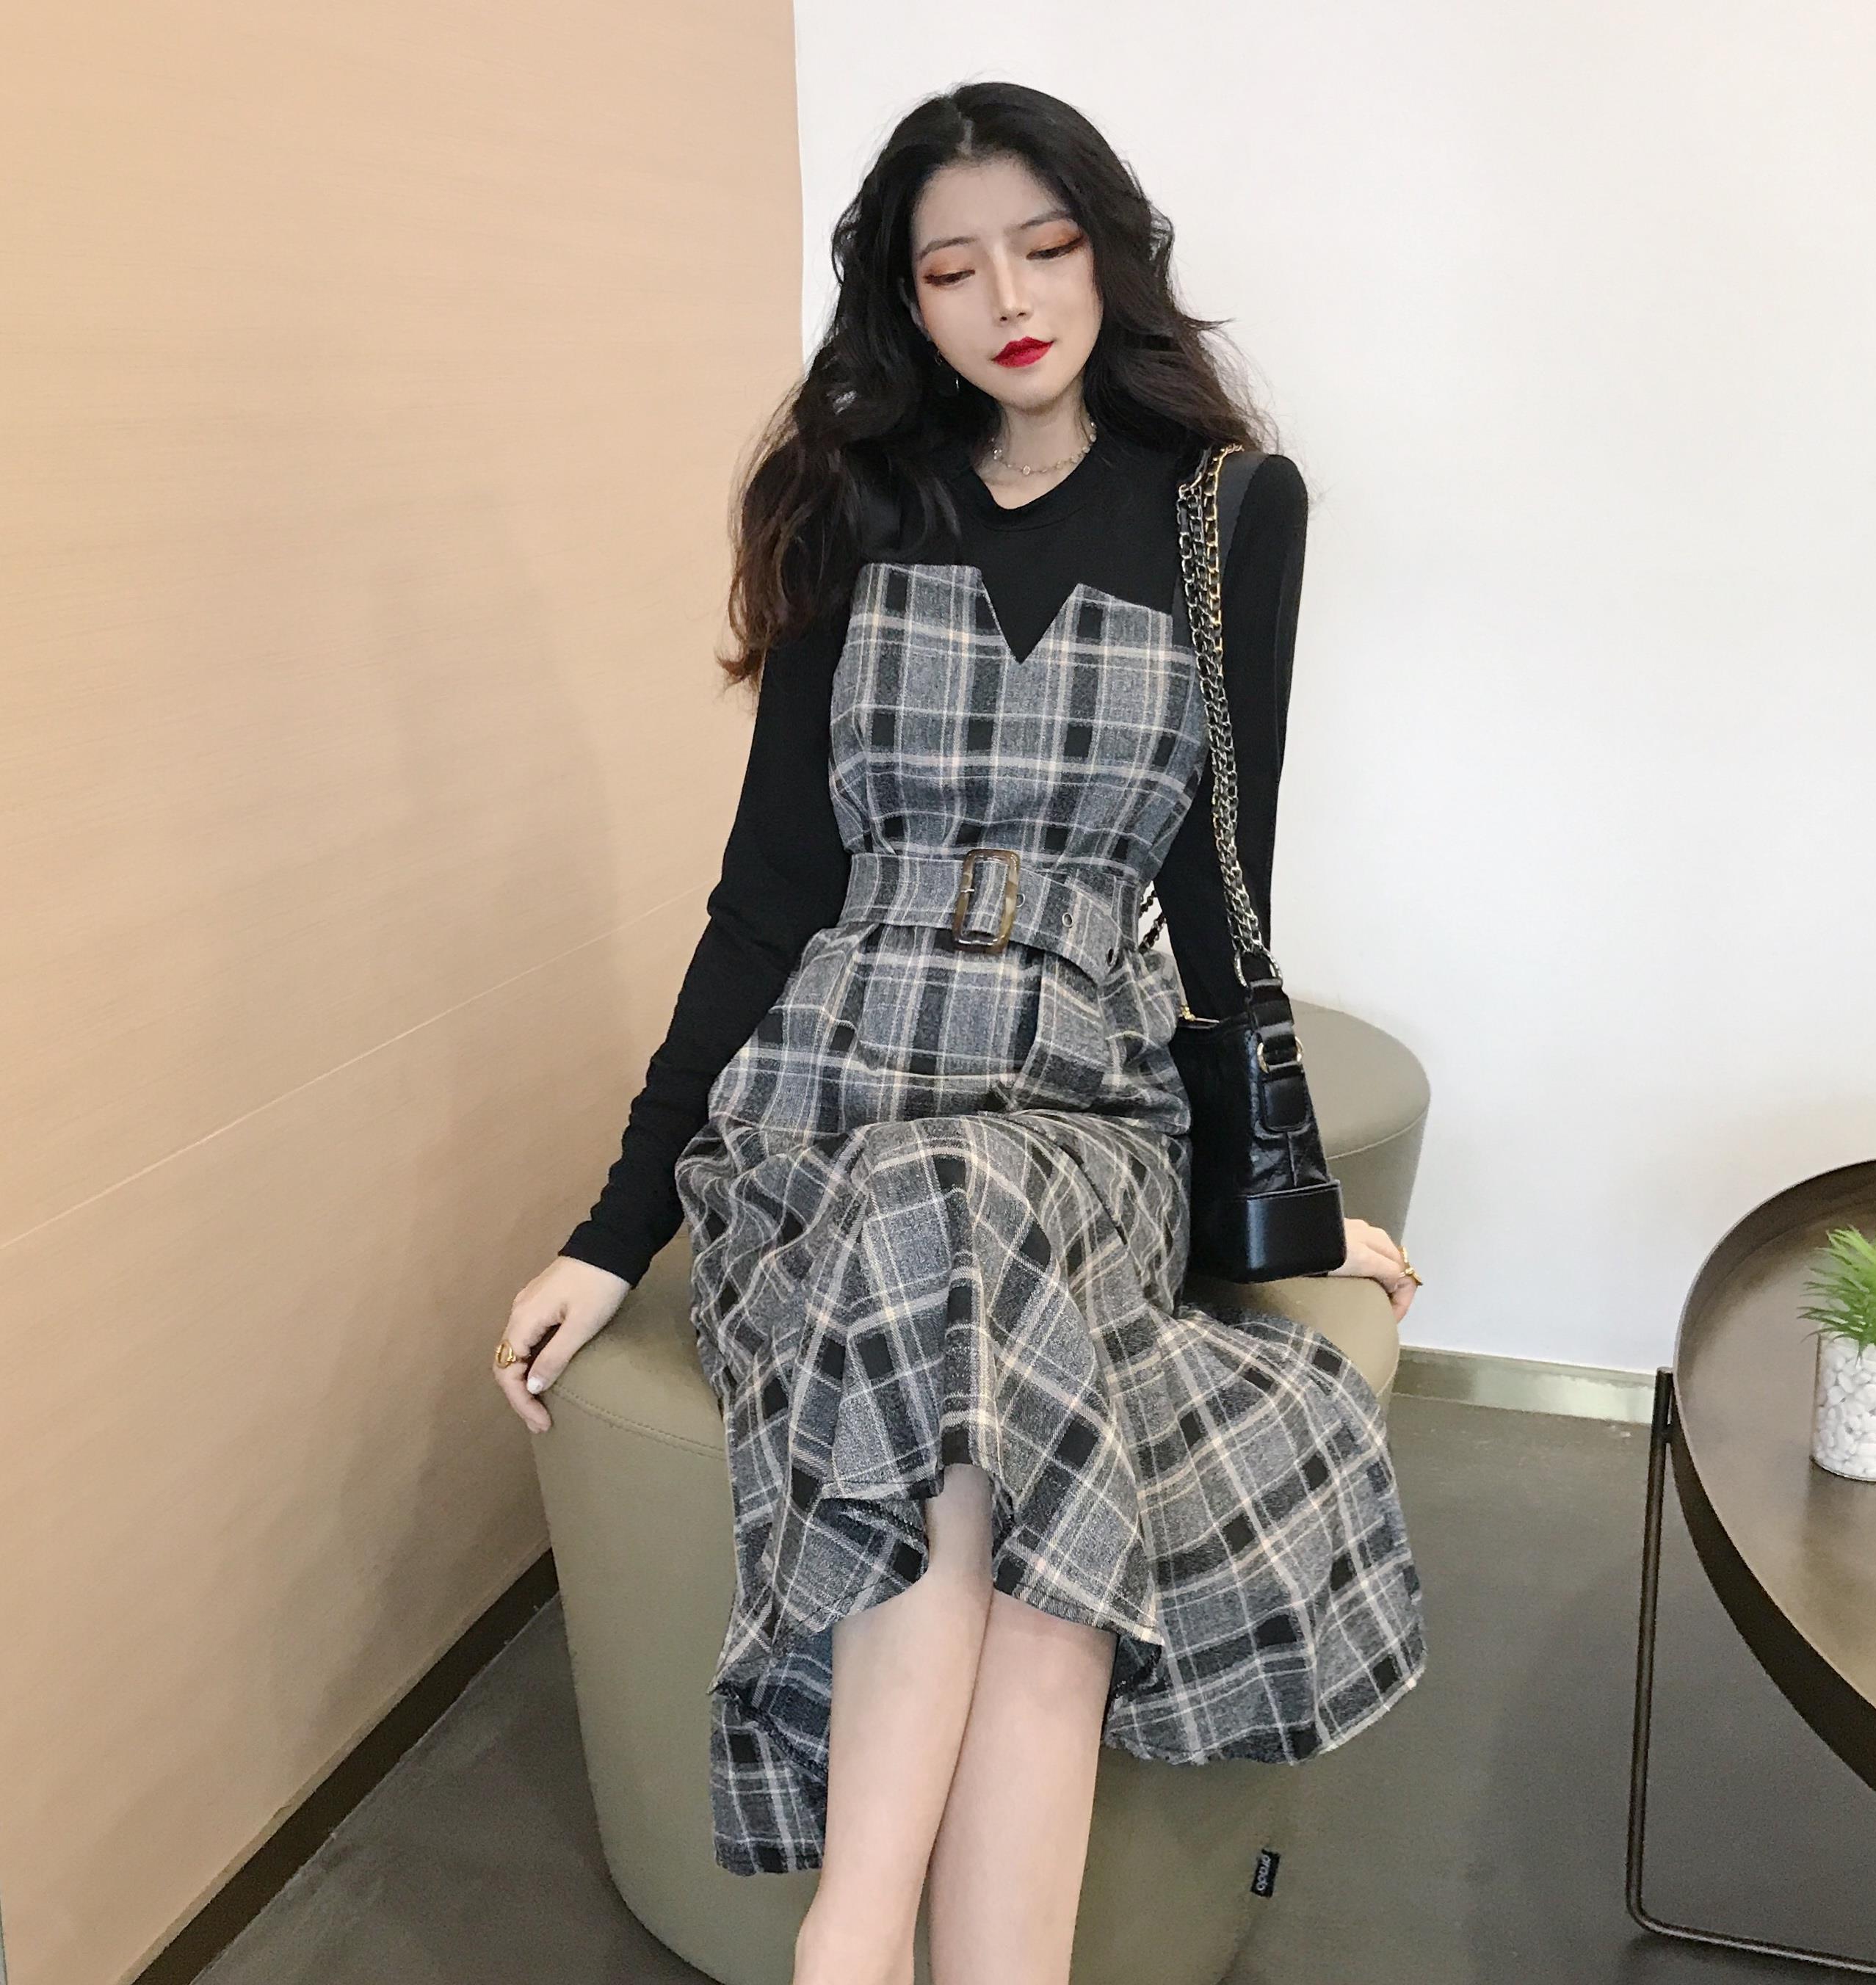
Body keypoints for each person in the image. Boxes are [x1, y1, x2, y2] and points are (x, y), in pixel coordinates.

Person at [493, 80, 1426, 1985]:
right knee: (977, 1319)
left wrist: (1279, 1203)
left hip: (1080, 1108)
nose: (1008, 296)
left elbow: (1217, 896)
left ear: (1111, 251)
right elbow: (767, 898)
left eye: (1046, 245)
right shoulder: (853, 506)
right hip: (831, 1103)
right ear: (903, 302)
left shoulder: (1228, 516)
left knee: (973, 1220)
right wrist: (612, 1230)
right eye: (952, 266)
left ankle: (851, 1944)